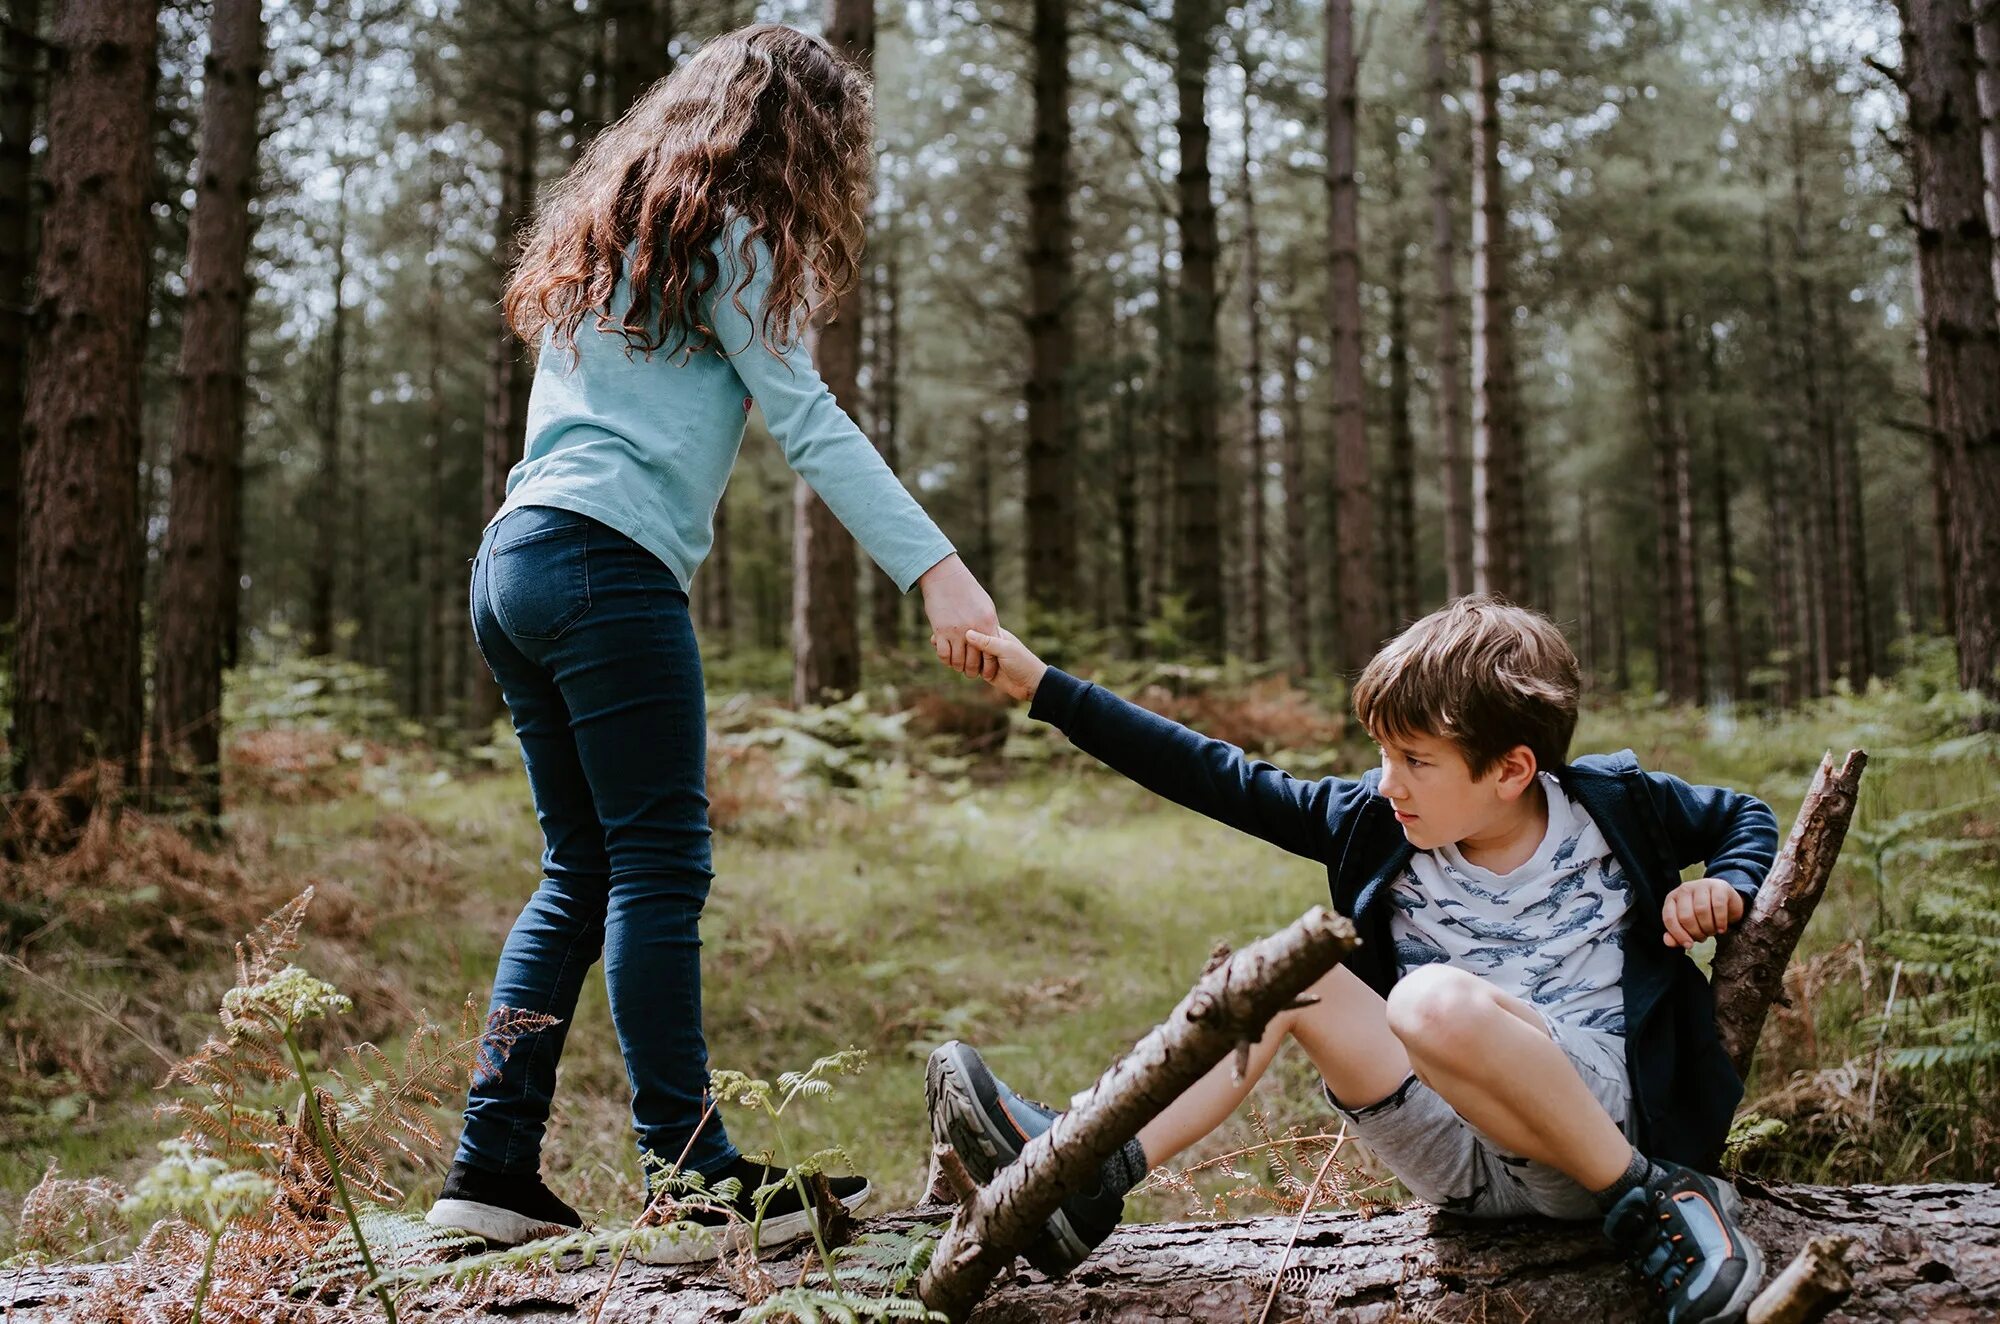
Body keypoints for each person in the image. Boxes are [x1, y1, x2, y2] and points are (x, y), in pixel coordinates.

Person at [424, 24, 999, 1264]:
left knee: (580, 867)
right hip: (600, 567)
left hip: (513, 562)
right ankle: (690, 1180)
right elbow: (810, 421)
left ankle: (489, 1166)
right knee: (655, 868)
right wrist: (940, 575)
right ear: (793, 139)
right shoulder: (734, 236)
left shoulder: (611, 240)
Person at [928, 596, 1775, 1324]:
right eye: (1382, 754)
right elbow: (1210, 773)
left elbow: (1746, 816)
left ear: (1513, 768)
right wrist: (1043, 686)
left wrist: (1723, 886)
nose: (1387, 783)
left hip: (1594, 1129)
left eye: (1415, 761)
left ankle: (1656, 1199)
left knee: (1430, 1002)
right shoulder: (1376, 821)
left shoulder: (1616, 808)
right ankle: (1088, 1168)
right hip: (1458, 1161)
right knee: (1287, 973)